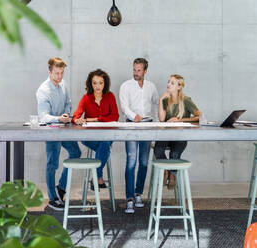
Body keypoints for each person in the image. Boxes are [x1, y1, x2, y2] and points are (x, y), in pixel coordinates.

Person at [36, 57, 81, 211]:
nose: (60, 77)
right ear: (49, 71)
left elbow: (68, 102)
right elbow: (43, 116)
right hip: (51, 130)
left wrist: (67, 114)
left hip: (64, 127)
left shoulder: (63, 84)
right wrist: (58, 118)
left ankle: (61, 187)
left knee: (76, 152)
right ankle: (52, 198)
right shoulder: (43, 91)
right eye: (56, 73)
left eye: (61, 73)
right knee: (52, 164)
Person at [119, 58, 159, 214]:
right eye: (134, 69)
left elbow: (157, 102)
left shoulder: (151, 87)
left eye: (139, 70)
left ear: (145, 71)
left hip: (148, 125)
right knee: (131, 160)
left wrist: (157, 122)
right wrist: (133, 115)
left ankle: (138, 194)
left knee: (143, 161)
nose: (136, 73)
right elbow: (124, 107)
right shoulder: (125, 86)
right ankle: (129, 199)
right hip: (131, 124)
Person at [72, 69, 119, 188]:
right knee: (105, 146)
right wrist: (77, 120)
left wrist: (96, 119)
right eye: (94, 83)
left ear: (105, 84)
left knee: (105, 143)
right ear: (90, 84)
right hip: (89, 136)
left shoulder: (110, 96)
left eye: (101, 83)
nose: (98, 86)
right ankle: (98, 177)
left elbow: (115, 116)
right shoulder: (86, 98)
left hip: (107, 135)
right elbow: (76, 115)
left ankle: (97, 176)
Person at [154, 74, 200, 189]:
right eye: (168, 82)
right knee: (158, 150)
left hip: (180, 136)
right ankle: (166, 171)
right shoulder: (165, 100)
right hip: (165, 136)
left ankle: (173, 174)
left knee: (174, 154)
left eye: (172, 83)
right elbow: (161, 119)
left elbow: (198, 116)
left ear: (179, 86)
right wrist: (160, 100)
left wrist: (179, 120)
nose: (168, 84)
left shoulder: (186, 100)